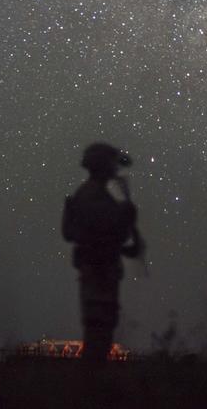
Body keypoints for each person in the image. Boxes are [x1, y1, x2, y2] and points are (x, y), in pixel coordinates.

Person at [61, 142, 144, 363]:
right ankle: (92, 390)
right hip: (99, 274)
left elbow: (116, 240)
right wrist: (126, 214)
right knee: (98, 334)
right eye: (112, 164)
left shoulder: (92, 195)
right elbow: (110, 232)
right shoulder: (93, 197)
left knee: (101, 332)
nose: (116, 170)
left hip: (100, 273)